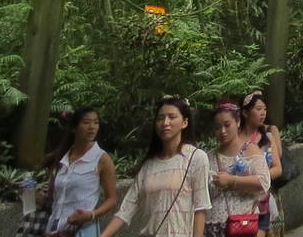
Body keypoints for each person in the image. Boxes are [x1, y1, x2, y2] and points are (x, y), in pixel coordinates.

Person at [100, 95, 211, 237]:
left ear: (184, 122)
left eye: (172, 117)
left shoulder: (196, 158)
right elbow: (127, 208)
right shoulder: (149, 165)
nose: (165, 122)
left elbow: (200, 207)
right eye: (160, 118)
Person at [42, 106, 117, 237]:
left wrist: (91, 215)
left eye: (96, 122)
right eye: (86, 122)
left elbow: (111, 199)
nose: (92, 127)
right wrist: (30, 194)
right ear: (74, 128)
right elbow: (51, 199)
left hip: (81, 230)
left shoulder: (101, 158)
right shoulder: (61, 157)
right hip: (53, 230)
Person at [204, 102, 270, 237]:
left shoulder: (250, 149)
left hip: (243, 224)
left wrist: (231, 180)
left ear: (238, 122)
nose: (222, 131)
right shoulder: (208, 157)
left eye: (227, 125)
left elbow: (264, 181)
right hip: (213, 226)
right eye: (217, 127)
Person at [238, 90, 285, 235]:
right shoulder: (235, 138)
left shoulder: (268, 137)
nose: (263, 113)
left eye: (264, 109)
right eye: (258, 109)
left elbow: (278, 168)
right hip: (241, 196)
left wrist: (260, 176)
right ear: (245, 113)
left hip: (266, 195)